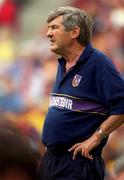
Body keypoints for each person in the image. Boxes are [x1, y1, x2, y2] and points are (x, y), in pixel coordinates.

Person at [38, 6, 124, 180]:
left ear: (75, 32)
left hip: (78, 163)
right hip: (52, 161)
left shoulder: (98, 63)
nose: (48, 33)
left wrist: (96, 138)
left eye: (54, 28)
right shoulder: (63, 64)